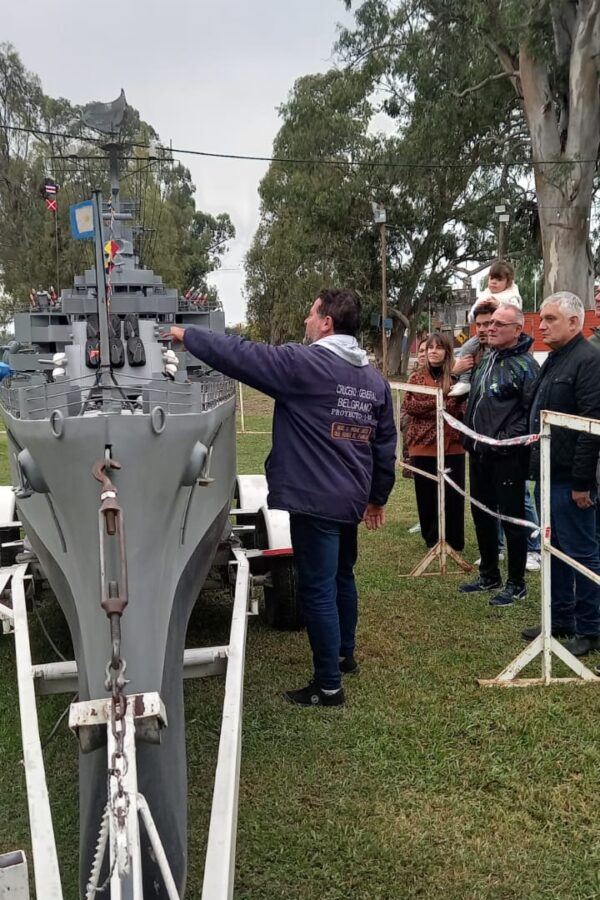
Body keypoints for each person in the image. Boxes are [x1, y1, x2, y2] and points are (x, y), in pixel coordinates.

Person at [166, 288, 397, 706]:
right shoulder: (373, 379)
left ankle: (328, 686)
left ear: (326, 322)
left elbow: (242, 355)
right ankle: (344, 655)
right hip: (351, 496)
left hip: (315, 498)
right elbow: (384, 444)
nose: (306, 322)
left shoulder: (304, 364)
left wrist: (187, 335)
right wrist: (377, 497)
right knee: (343, 576)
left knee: (318, 588)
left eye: (311, 314)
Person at [522, 292, 600, 657]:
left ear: (574, 322)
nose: (541, 325)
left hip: (571, 479)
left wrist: (582, 483)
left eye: (550, 319)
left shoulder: (589, 360)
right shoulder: (555, 359)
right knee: (553, 550)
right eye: (542, 318)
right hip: (547, 473)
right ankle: (560, 618)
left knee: (581, 553)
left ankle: (591, 628)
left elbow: (591, 426)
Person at [458, 303, 539, 606]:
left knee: (512, 519)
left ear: (517, 330)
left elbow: (531, 412)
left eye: (498, 324)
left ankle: (516, 583)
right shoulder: (487, 359)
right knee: (481, 512)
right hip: (478, 453)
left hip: (508, 457)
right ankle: (489, 574)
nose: (490, 328)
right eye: (489, 323)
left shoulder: (526, 366)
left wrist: (502, 440)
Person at [402, 333, 466, 551]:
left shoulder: (456, 379)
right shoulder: (416, 378)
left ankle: (454, 542)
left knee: (453, 495)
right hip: (423, 445)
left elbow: (458, 409)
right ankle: (431, 540)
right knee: (426, 495)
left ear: (447, 352)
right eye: (430, 348)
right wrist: (442, 399)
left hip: (452, 446)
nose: (433, 352)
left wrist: (437, 401)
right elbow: (411, 406)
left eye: (438, 348)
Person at [449, 261, 522, 398]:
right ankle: (464, 381)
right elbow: (472, 315)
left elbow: (515, 313)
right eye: (491, 278)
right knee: (466, 348)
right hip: (477, 405)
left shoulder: (511, 296)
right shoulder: (484, 294)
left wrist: (499, 305)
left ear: (508, 282)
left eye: (498, 279)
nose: (493, 282)